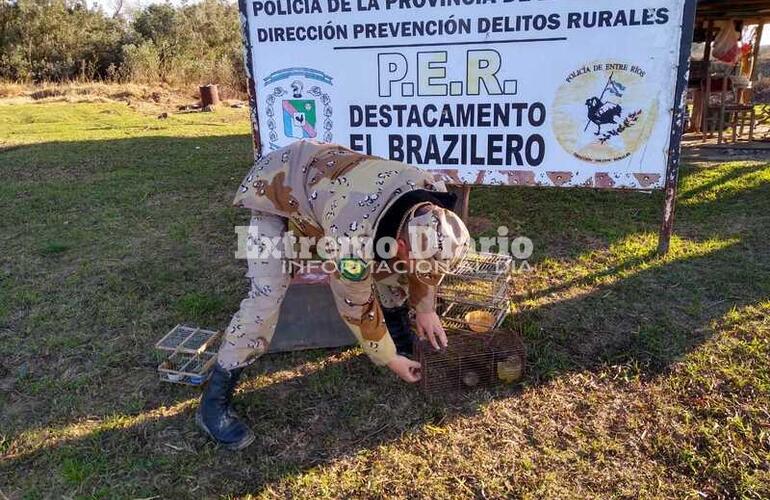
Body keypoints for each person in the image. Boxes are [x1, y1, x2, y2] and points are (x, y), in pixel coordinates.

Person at [196, 140, 471, 450]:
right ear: (403, 244)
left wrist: (425, 309)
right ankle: (213, 403)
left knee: (393, 271)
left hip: (327, 191)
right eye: (413, 259)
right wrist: (389, 358)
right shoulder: (352, 238)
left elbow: (424, 266)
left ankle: (396, 329)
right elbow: (355, 304)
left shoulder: (430, 192)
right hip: (281, 188)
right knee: (265, 300)